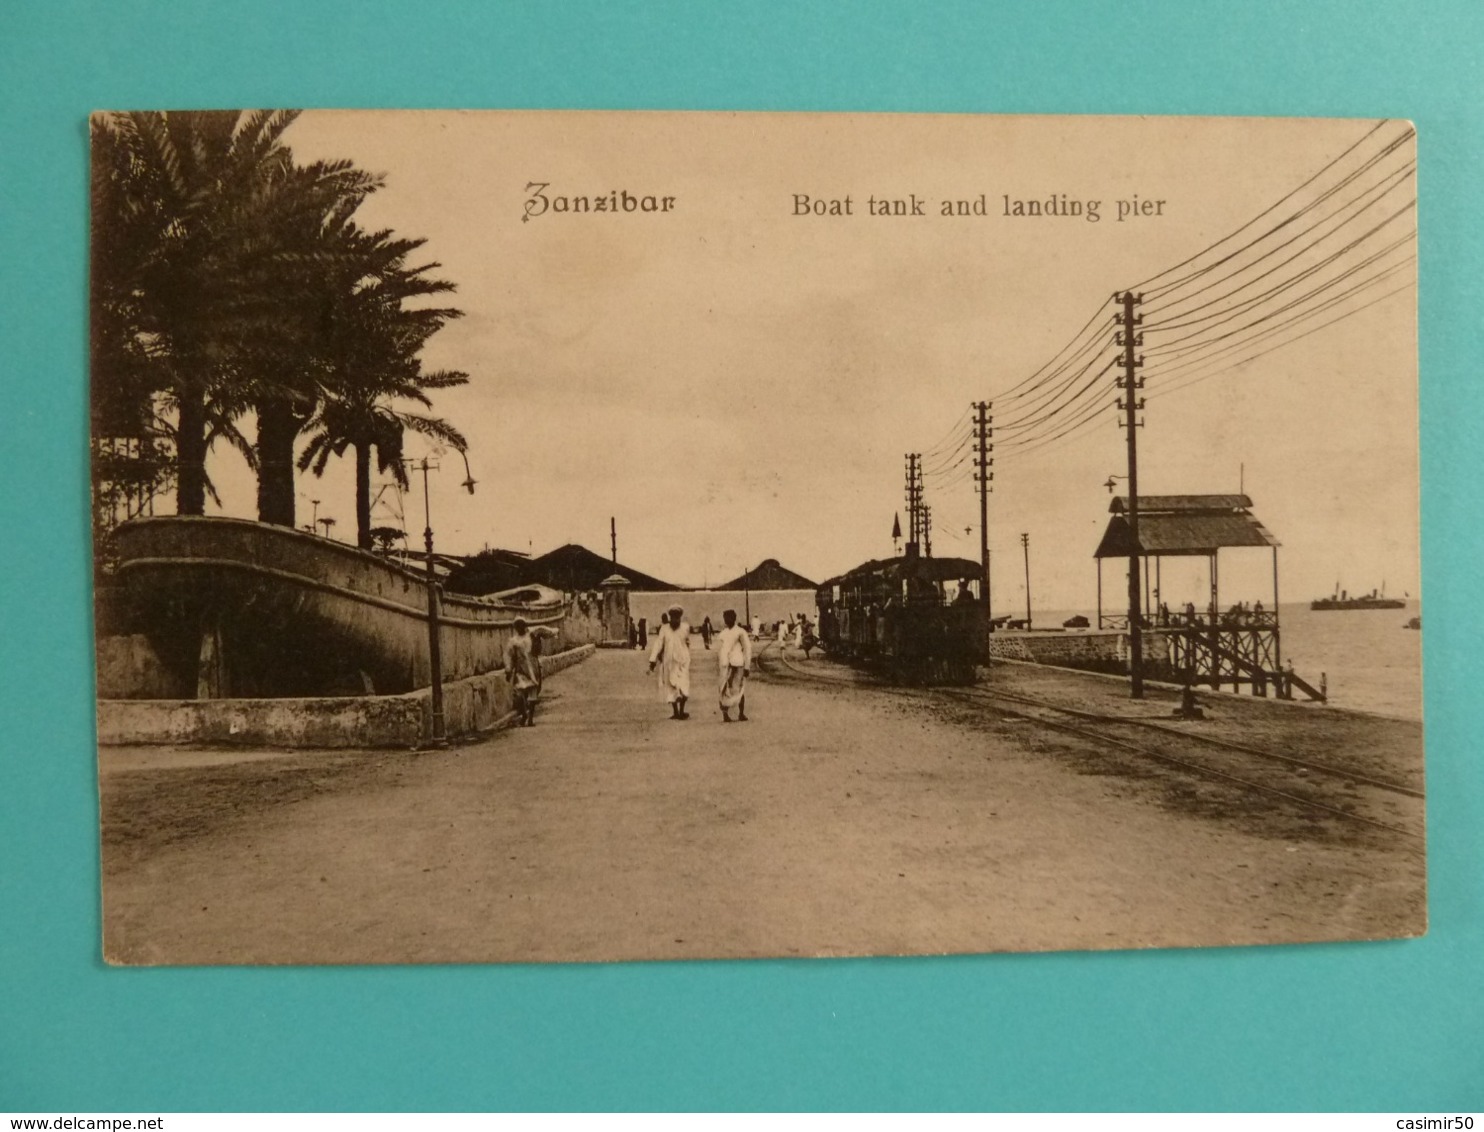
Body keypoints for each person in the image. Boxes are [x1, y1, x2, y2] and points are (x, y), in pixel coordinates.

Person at [503, 618, 555, 727]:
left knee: (532, 694)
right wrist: (508, 669)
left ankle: (530, 718)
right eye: (518, 627)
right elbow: (510, 656)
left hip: (533, 668)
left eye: (522, 626)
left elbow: (544, 631)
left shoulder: (532, 635)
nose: (520, 629)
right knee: (520, 693)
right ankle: (524, 715)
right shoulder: (514, 641)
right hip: (520, 670)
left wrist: (554, 632)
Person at [648, 604, 693, 719]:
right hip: (669, 663)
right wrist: (653, 660)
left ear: (680, 618)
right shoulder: (664, 629)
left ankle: (682, 710)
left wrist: (687, 656)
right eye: (673, 617)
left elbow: (688, 642)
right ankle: (676, 712)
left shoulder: (685, 627)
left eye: (677, 617)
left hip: (683, 661)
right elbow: (658, 644)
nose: (675, 620)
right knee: (671, 686)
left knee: (683, 685)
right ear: (670, 618)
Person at [715, 609, 751, 722]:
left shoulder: (740, 632)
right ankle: (725, 715)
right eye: (725, 618)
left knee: (739, 688)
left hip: (738, 664)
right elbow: (720, 649)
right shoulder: (723, 633)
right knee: (723, 689)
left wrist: (747, 666)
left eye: (729, 617)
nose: (727, 620)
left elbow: (747, 648)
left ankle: (741, 713)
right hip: (725, 665)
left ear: (734, 618)